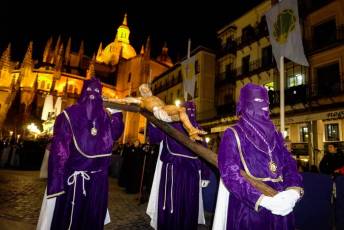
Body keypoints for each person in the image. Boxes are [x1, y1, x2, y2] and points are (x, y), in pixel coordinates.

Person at [37, 77, 124, 230]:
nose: (92, 96)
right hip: (76, 183)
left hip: (96, 182)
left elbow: (115, 133)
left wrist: (117, 113)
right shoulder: (69, 116)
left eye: (96, 92)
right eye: (90, 91)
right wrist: (56, 185)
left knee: (89, 219)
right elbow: (59, 152)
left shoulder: (101, 117)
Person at [213, 83, 303, 230]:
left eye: (266, 103)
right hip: (249, 210)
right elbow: (229, 174)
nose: (264, 107)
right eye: (257, 103)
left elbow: (288, 164)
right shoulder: (233, 133)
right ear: (246, 105)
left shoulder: (275, 134)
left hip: (281, 207)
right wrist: (262, 200)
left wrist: (293, 191)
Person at [146, 101, 210, 230]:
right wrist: (153, 120)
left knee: (189, 205)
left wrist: (205, 174)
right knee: (172, 204)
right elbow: (155, 138)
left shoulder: (198, 129)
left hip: (191, 174)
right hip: (173, 171)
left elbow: (205, 154)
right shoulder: (170, 124)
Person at [104, 83, 206, 140]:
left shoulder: (155, 97)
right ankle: (191, 130)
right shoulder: (141, 100)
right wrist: (108, 100)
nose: (146, 90)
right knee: (180, 110)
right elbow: (123, 100)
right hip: (159, 111)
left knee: (182, 111)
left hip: (166, 112)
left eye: (146, 88)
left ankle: (191, 131)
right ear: (142, 93)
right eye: (143, 90)